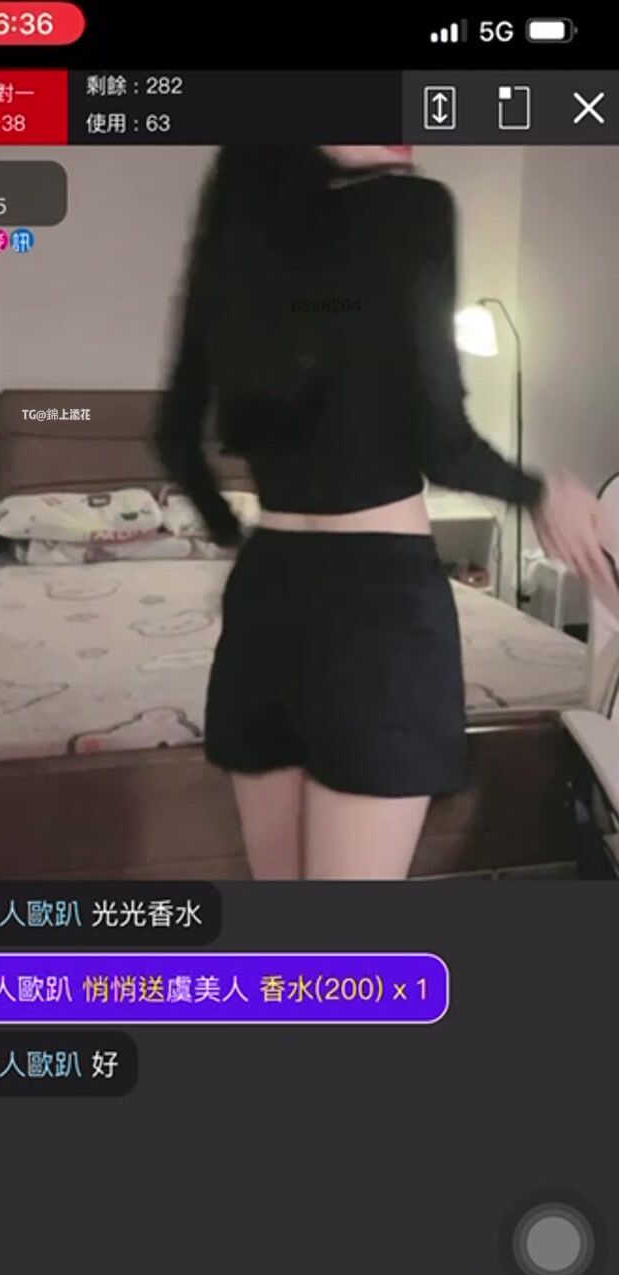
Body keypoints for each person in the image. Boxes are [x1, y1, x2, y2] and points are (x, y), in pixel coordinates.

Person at [157, 145, 613, 880]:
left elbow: (174, 439)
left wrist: (233, 536)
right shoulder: (411, 212)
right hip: (376, 609)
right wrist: (540, 492)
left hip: (263, 601)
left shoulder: (238, 231)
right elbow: (444, 443)